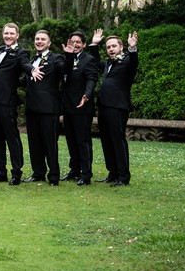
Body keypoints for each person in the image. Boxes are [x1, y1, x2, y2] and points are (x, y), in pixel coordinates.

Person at [0, 23, 34, 185]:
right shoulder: (1, 50)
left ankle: (16, 173)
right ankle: (0, 172)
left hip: (7, 101)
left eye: (11, 33)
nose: (8, 36)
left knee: (12, 136)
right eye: (6, 33)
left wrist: (32, 70)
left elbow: (25, 64)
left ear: (18, 35)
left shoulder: (21, 52)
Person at [89, 29, 139, 187]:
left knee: (117, 140)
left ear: (121, 47)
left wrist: (133, 48)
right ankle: (112, 173)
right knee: (106, 140)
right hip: (103, 106)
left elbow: (134, 63)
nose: (110, 49)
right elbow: (96, 61)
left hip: (117, 106)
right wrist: (94, 44)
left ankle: (123, 177)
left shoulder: (127, 62)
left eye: (113, 46)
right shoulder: (108, 64)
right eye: (108, 47)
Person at [23, 30, 64, 185]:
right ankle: (38, 173)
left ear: (49, 42)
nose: (39, 41)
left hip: (48, 108)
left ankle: (54, 176)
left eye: (42, 39)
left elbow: (64, 69)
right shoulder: (32, 60)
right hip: (32, 108)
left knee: (49, 143)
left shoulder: (56, 58)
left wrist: (70, 56)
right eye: (37, 39)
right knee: (34, 143)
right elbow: (26, 81)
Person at [61, 31, 99, 186]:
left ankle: (86, 173)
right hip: (68, 107)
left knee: (83, 141)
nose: (75, 44)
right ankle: (74, 170)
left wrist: (87, 95)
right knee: (71, 140)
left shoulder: (88, 60)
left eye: (78, 42)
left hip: (82, 107)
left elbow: (91, 79)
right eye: (72, 41)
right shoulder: (66, 59)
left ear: (84, 44)